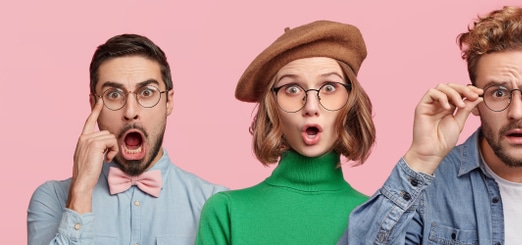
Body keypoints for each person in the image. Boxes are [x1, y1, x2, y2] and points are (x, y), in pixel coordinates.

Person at [343, 6, 522, 244]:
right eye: (498, 93)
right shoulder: (427, 186)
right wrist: (420, 159)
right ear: (473, 99)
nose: (517, 112)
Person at [26, 34, 227, 245]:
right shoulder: (53, 199)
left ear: (168, 102)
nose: (130, 112)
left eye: (147, 92)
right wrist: (81, 193)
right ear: (93, 105)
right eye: (114, 95)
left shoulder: (214, 202)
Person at [196, 20, 376, 244]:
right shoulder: (227, 212)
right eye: (292, 89)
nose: (311, 106)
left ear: (350, 102)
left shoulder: (377, 219)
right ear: (272, 108)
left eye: (329, 87)